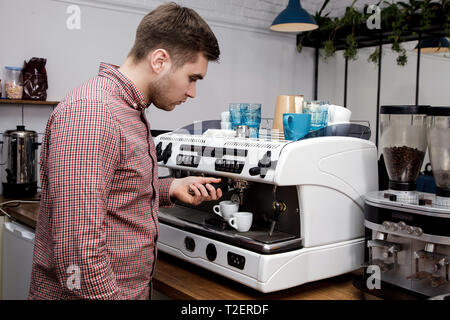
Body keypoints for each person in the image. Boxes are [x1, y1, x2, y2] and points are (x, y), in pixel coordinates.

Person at [29, 2, 222, 300]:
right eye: (192, 78)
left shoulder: (127, 108)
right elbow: (77, 252)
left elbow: (115, 194)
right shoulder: (93, 113)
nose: (192, 92)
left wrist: (170, 187)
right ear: (159, 60)